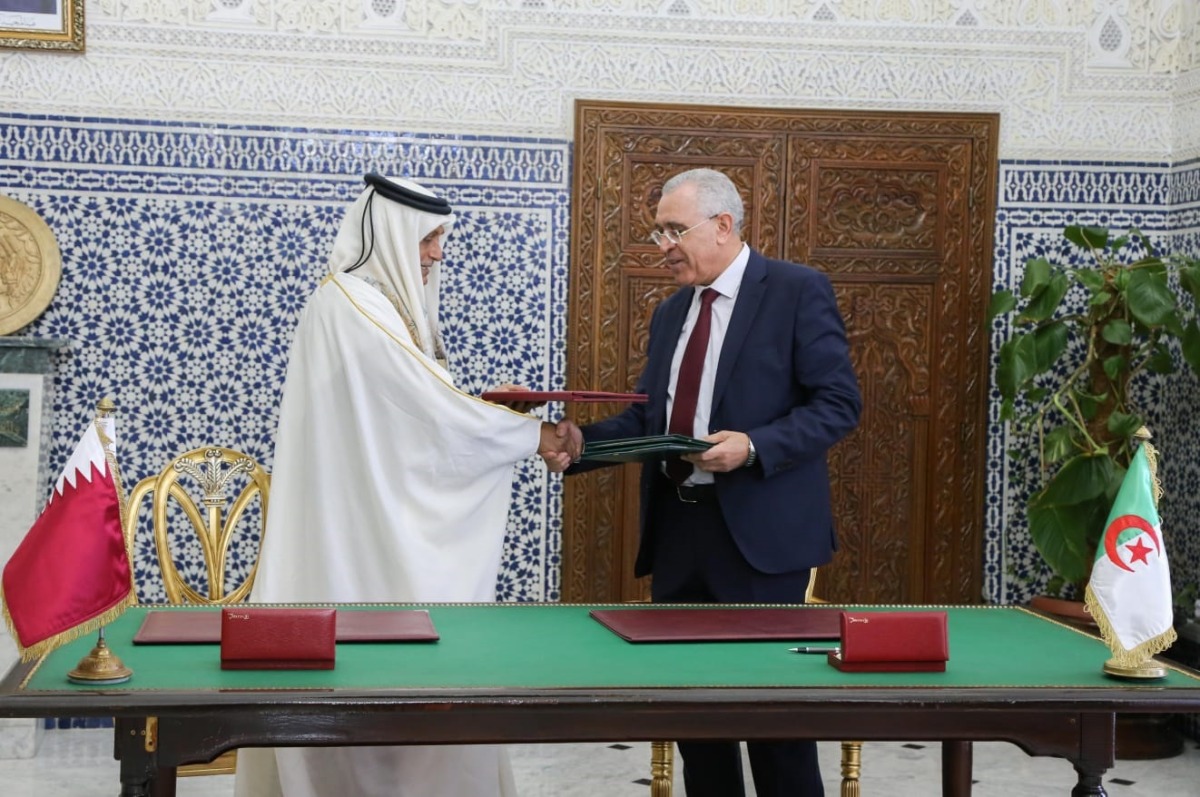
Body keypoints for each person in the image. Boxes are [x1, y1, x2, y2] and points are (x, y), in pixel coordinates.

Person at [234, 173, 577, 797]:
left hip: (363, 518)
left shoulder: (355, 304)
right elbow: (430, 417)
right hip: (360, 539)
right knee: (389, 690)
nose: (437, 254)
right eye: (428, 238)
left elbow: (412, 421)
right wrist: (532, 437)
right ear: (393, 232)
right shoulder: (354, 306)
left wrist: (503, 425)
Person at [564, 168, 861, 797]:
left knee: (774, 723)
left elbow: (838, 403)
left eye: (676, 229)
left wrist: (754, 446)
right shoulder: (672, 312)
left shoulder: (795, 290)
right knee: (698, 719)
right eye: (658, 231)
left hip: (760, 540)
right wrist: (579, 445)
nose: (663, 244)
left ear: (723, 225)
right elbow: (653, 418)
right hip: (680, 534)